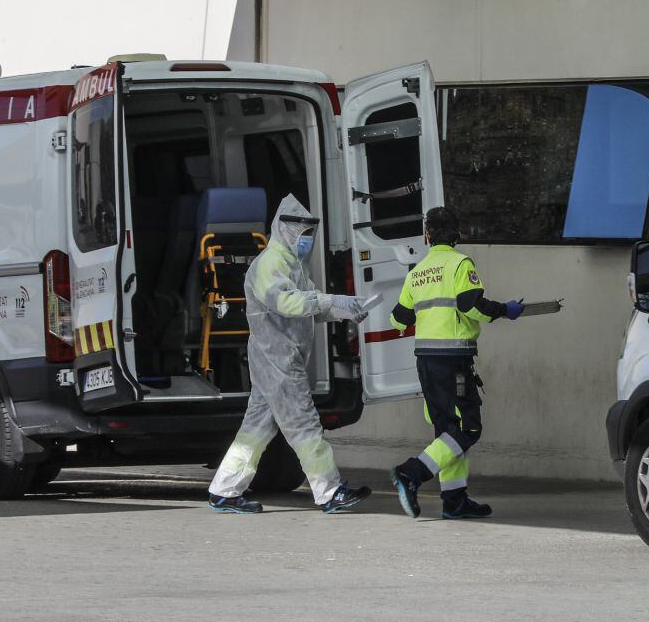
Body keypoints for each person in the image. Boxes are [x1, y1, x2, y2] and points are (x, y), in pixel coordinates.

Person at [208, 194, 372, 514]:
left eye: (310, 232)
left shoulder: (291, 264)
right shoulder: (270, 264)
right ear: (285, 230)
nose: (307, 238)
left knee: (256, 429)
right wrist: (331, 300)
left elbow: (308, 307)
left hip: (278, 357)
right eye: (303, 232)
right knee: (304, 424)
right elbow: (287, 303)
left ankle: (224, 490)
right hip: (278, 358)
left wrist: (344, 310)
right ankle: (329, 490)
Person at [388, 207, 524, 520]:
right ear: (457, 234)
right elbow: (471, 305)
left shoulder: (417, 271)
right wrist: (506, 310)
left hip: (425, 361)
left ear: (427, 235)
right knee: (468, 427)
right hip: (453, 360)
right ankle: (411, 473)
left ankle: (454, 500)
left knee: (447, 431)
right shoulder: (460, 263)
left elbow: (399, 319)